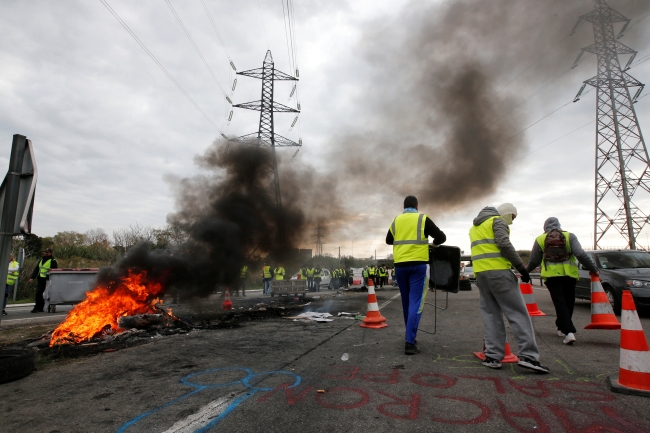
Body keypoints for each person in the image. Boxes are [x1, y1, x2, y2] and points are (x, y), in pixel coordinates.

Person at [469, 203, 549, 373]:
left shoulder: (475, 227)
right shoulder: (497, 221)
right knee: (517, 313)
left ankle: (492, 356)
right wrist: (521, 268)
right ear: (506, 213)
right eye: (512, 217)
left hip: (481, 275)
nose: (511, 221)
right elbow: (504, 244)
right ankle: (528, 356)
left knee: (491, 315)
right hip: (499, 274)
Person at [387, 195, 446, 355]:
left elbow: (388, 240)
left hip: (400, 266)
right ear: (417, 206)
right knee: (416, 303)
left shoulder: (396, 220)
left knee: (406, 303)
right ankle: (409, 342)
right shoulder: (423, 219)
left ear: (404, 206)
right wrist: (432, 244)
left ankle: (410, 336)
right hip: (419, 265)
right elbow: (441, 237)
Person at [525, 217, 599, 345]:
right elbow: (580, 254)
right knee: (569, 302)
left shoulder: (540, 239)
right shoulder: (569, 236)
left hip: (552, 276)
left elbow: (534, 260)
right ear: (559, 225)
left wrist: (524, 272)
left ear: (545, 227)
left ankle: (567, 330)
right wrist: (594, 269)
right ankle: (565, 328)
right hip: (569, 275)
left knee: (559, 302)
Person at [28, 248, 58, 313]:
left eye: (47, 252)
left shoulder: (53, 261)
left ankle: (37, 307)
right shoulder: (41, 260)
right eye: (45, 252)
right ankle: (40, 307)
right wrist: (32, 277)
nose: (46, 253)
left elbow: (55, 270)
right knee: (40, 293)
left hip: (48, 279)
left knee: (39, 293)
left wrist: (51, 270)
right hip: (41, 278)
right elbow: (37, 269)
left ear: (50, 253)